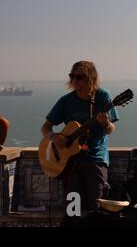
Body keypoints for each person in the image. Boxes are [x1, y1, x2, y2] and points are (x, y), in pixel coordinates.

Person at [41, 61, 119, 215]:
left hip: (95, 160)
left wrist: (106, 123)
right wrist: (53, 137)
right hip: (70, 164)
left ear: (91, 78)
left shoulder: (103, 97)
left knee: (97, 210)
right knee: (73, 211)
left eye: (80, 77)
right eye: (72, 76)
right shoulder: (66, 101)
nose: (75, 81)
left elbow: (110, 129)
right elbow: (45, 127)